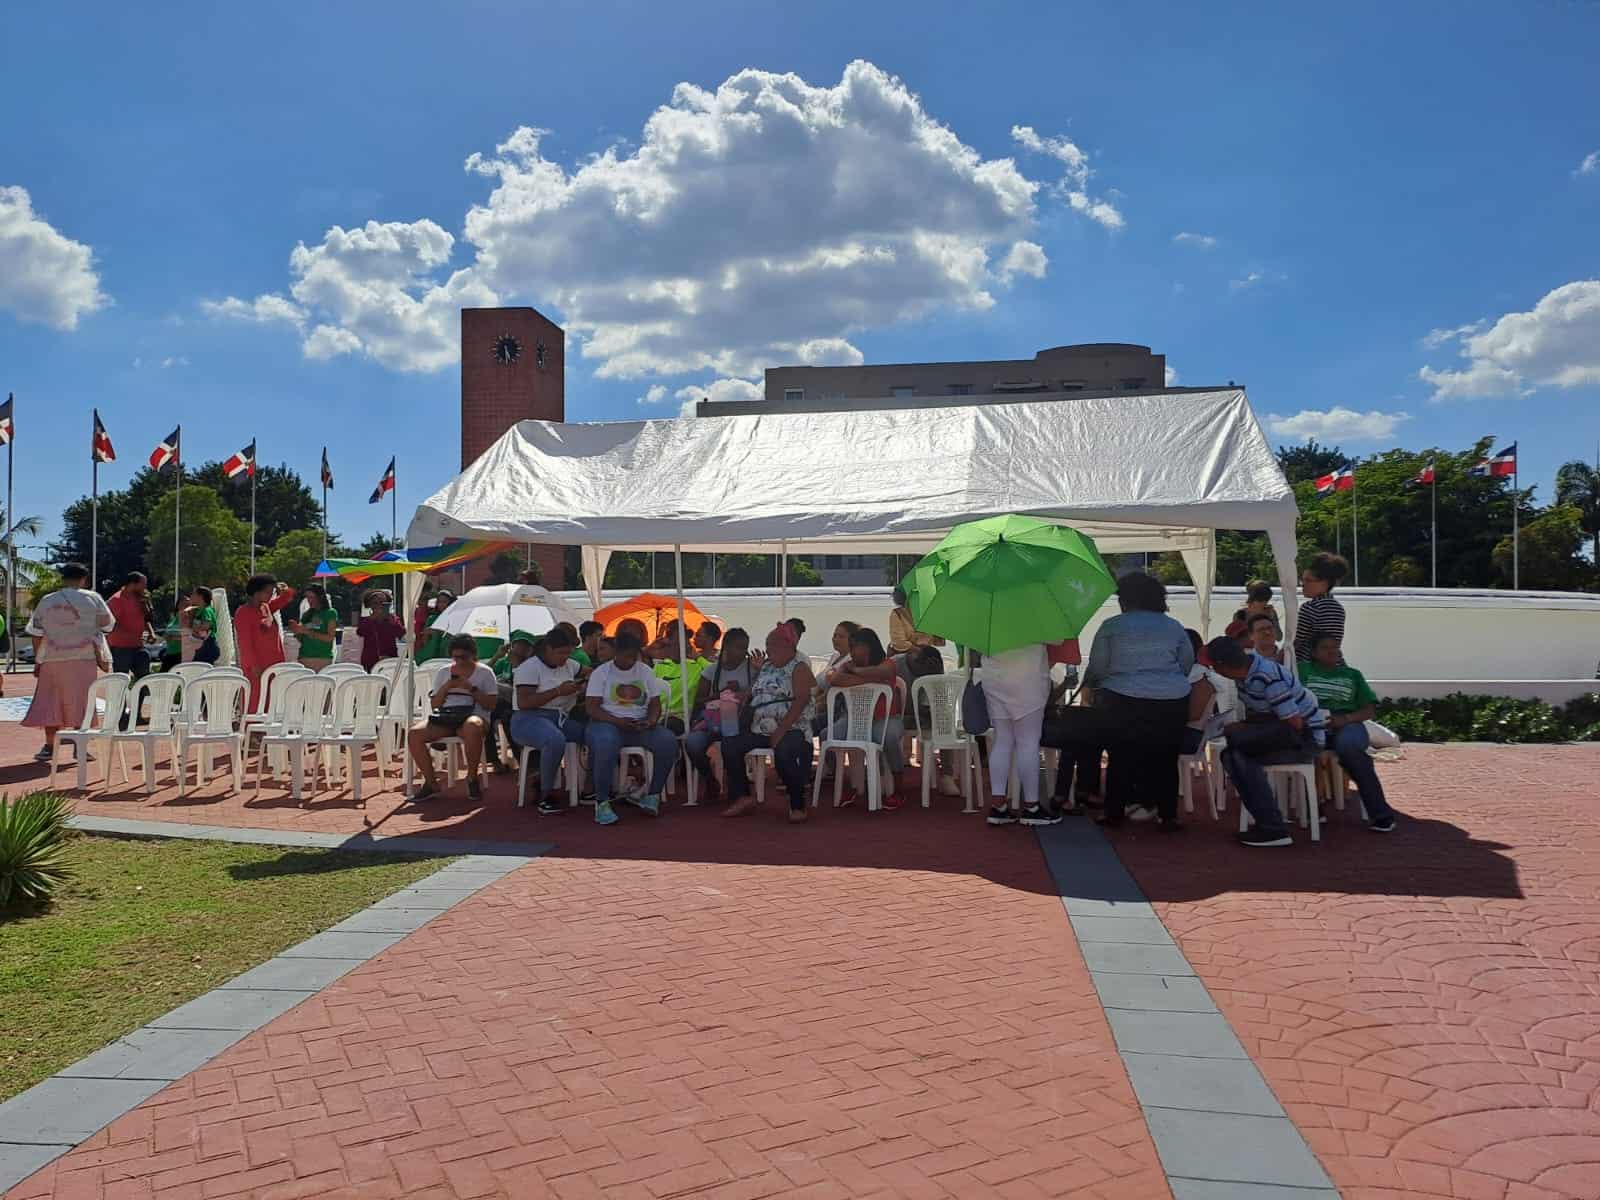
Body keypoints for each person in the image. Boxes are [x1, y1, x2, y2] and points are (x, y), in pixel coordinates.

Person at [1082, 572, 1194, 831]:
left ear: (1126, 599)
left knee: (1120, 757)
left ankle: (1114, 812)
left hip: (1122, 698)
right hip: (1171, 700)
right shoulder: (1174, 626)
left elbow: (1098, 666)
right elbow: (1186, 663)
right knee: (1166, 758)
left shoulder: (1112, 626)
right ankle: (1168, 815)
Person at [1207, 636, 1328, 848]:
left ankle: (1273, 827)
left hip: (1304, 740)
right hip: (1286, 732)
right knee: (1233, 755)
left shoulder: (1267, 677)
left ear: (1222, 667)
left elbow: (1295, 723)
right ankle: (1271, 826)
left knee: (1235, 750)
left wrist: (1246, 732)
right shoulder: (1245, 675)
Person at [1298, 633, 1398, 832]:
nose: (1332, 651)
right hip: (1313, 723)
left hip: (1347, 723)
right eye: (1326, 647)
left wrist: (1345, 719)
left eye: (1336, 647)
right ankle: (1313, 808)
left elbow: (1369, 709)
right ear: (1314, 653)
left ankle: (1381, 815)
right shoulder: (1302, 670)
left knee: (1350, 749)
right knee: (1307, 750)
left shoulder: (1352, 675)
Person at [718, 623, 816, 821]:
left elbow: (801, 701)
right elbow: (756, 691)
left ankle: (797, 804)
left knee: (783, 753)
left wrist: (781, 730)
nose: (767, 648)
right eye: (767, 644)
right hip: (760, 728)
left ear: (787, 646)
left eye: (771, 644)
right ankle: (743, 796)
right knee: (730, 745)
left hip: (791, 728)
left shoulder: (799, 668)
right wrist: (739, 696)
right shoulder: (766, 667)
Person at [584, 631, 678, 825]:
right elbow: (592, 708)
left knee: (668, 742)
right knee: (606, 743)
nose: (629, 660)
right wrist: (617, 721)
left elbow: (654, 703)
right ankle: (601, 802)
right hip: (606, 723)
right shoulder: (601, 673)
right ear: (615, 653)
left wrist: (651, 721)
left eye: (632, 656)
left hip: (638, 725)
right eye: (625, 655)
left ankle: (652, 795)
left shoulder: (645, 671)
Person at [23, 562, 114, 762]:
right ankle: (80, 747)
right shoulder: (93, 598)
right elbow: (108, 625)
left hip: (53, 659)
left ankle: (49, 746)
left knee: (50, 701)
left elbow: (36, 632)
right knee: (83, 701)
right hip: (84, 658)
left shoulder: (47, 601)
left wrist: (39, 659)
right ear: (84, 579)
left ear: (62, 578)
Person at [406, 633, 498, 803]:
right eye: (455, 657)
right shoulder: (444, 672)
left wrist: (471, 689)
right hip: (447, 716)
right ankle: (431, 783)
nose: (459, 661)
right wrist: (447, 686)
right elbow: (435, 704)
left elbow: (491, 704)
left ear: (472, 655)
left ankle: (471, 778)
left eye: (463, 657)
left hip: (474, 715)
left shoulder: (485, 673)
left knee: (472, 726)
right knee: (414, 733)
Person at [822, 626, 905, 810]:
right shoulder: (848, 664)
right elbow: (833, 678)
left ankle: (898, 788)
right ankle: (845, 783)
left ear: (868, 647)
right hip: (853, 718)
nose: (851, 651)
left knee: (890, 738)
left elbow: (881, 673)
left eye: (855, 646)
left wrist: (856, 674)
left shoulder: (888, 663)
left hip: (885, 718)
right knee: (827, 735)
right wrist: (868, 680)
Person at [510, 626, 588, 814]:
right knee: (554, 740)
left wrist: (583, 685)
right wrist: (558, 691)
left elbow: (591, 672)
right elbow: (524, 702)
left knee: (592, 734)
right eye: (561, 653)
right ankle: (546, 794)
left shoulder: (570, 664)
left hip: (559, 717)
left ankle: (589, 787)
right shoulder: (529, 668)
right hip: (528, 718)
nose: (565, 658)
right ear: (548, 650)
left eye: (568, 653)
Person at [980, 640, 1055, 826]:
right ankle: (1032, 807)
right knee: (1028, 742)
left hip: (994, 677)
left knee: (1002, 740)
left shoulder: (989, 611)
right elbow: (1058, 638)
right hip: (1028, 678)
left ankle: (998, 807)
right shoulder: (1038, 611)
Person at [683, 627, 753, 790]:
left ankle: (735, 783)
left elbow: (762, 693)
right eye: (739, 647)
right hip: (713, 720)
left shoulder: (752, 668)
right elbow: (699, 701)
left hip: (741, 722)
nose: (743, 652)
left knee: (731, 744)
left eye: (745, 647)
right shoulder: (712, 671)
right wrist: (719, 695)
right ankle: (709, 777)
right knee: (693, 744)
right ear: (726, 646)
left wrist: (744, 692)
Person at [234, 574, 295, 708]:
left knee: (274, 702)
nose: (270, 595)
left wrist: (283, 589)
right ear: (256, 592)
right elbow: (245, 643)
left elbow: (286, 597)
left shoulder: (266, 607)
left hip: (275, 663)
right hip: (256, 666)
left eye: (272, 592)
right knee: (256, 701)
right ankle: (252, 728)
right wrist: (253, 665)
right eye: (268, 592)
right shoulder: (243, 612)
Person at [1294, 552, 1349, 663]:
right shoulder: (1338, 608)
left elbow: (1297, 643)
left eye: (1308, 580)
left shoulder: (1310, 607)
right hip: (1335, 664)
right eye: (1302, 580)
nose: (1303, 584)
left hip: (1310, 667)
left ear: (1325, 583)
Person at [106, 571, 156, 680]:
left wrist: (151, 632)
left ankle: (143, 697)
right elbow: (109, 623)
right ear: (132, 584)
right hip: (120, 648)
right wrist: (128, 634)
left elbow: (146, 619)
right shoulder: (116, 600)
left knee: (144, 678)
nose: (145, 587)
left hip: (138, 646)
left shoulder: (141, 598)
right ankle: (119, 697)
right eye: (143, 584)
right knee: (121, 680)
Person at [289, 584, 338, 671]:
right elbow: (302, 639)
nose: (309, 600)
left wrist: (308, 632)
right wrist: (296, 632)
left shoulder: (330, 613)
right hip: (304, 656)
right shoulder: (307, 614)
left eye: (312, 597)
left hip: (323, 657)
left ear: (320, 597)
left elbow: (330, 637)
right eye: (307, 597)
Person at [356, 590, 405, 671]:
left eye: (382, 603)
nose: (379, 606)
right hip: (370, 660)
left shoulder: (393, 619)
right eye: (375, 603)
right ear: (370, 605)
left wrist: (392, 621)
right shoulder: (366, 619)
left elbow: (401, 633)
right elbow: (360, 632)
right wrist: (372, 618)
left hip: (390, 659)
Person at [887, 588, 944, 656]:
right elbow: (898, 642)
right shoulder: (898, 614)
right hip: (904, 658)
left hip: (925, 657)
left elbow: (938, 641)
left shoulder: (930, 613)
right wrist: (919, 651)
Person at [180, 587, 220, 665]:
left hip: (207, 646)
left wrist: (192, 626)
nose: (191, 596)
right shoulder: (199, 610)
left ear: (200, 597)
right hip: (202, 646)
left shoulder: (206, 610)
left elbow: (206, 625)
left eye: (194, 594)